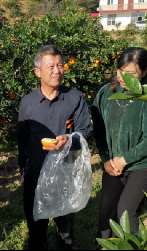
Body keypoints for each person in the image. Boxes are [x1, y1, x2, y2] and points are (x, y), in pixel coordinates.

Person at [17, 45, 93, 250]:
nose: (57, 71)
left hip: (65, 170)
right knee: (36, 226)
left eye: (60, 65)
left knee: (65, 227)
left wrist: (69, 140)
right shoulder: (28, 103)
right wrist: (22, 168)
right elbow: (22, 139)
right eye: (50, 66)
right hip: (35, 170)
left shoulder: (74, 97)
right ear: (37, 72)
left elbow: (86, 129)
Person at [91, 47, 147, 241]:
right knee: (106, 210)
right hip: (113, 164)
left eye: (132, 74)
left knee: (126, 211)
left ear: (144, 71)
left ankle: (134, 245)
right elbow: (99, 130)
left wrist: (124, 160)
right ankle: (103, 246)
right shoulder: (105, 93)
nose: (124, 77)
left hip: (143, 164)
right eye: (120, 71)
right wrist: (106, 159)